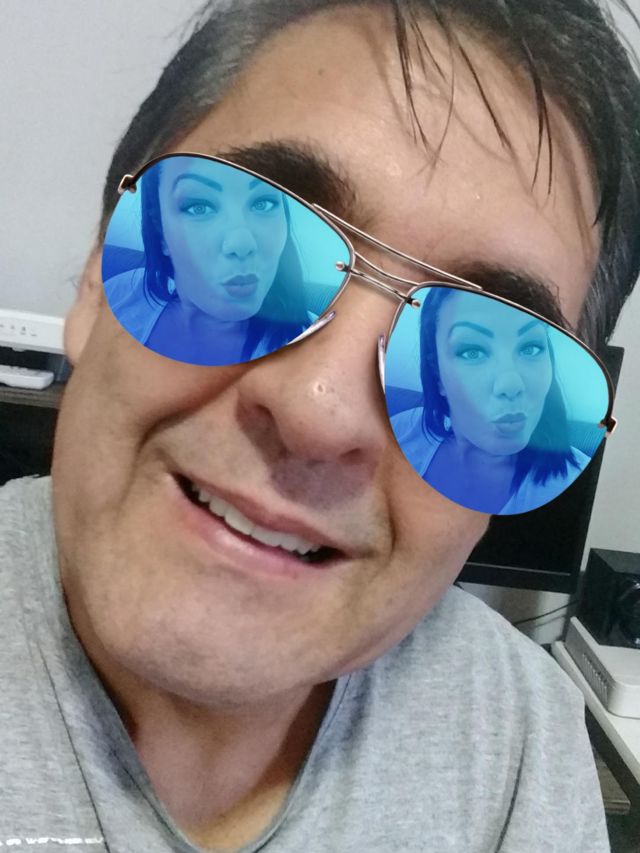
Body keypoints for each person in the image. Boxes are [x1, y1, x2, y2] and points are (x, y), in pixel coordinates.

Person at [1, 0, 639, 850]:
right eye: (240, 243)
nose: (318, 410)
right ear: (93, 279)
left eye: (485, 354)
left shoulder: (519, 735)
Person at [390, 285, 593, 513]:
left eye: (531, 348)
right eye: (473, 352)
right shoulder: (402, 431)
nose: (511, 384)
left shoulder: (580, 486)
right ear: (437, 373)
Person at [102, 155, 312, 364]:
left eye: (262, 203)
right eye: (199, 207)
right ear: (160, 230)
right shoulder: (122, 293)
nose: (242, 243)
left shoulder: (312, 345)